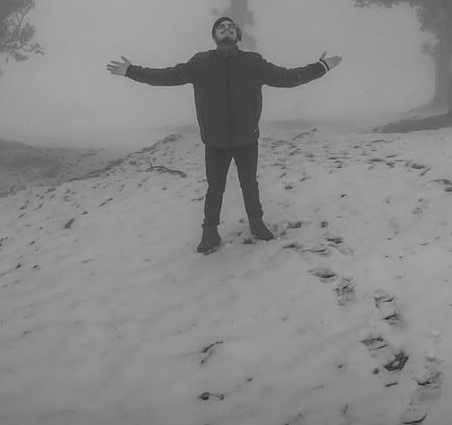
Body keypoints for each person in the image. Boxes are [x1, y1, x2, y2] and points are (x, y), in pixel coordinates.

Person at [107, 16, 342, 254]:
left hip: (246, 139)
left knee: (249, 184)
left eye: (230, 27)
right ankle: (210, 232)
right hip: (215, 141)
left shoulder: (253, 62)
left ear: (238, 36)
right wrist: (131, 71)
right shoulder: (200, 63)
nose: (226, 30)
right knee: (214, 187)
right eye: (221, 28)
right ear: (215, 36)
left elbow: (288, 78)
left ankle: (256, 223)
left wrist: (321, 67)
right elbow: (166, 76)